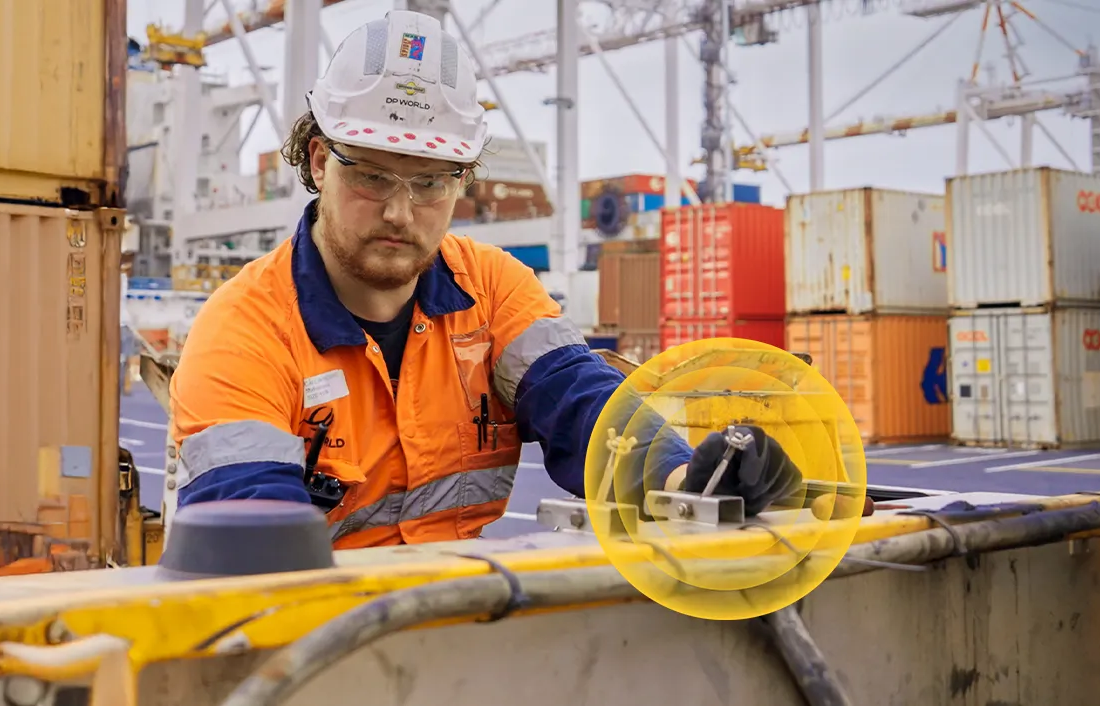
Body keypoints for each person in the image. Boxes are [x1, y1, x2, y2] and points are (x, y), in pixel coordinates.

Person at [162, 9, 803, 549]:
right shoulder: (244, 331)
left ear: (462, 180)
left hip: (453, 633)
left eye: (431, 182)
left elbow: (582, 401)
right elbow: (254, 548)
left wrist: (688, 481)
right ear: (320, 159)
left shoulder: (492, 290)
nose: (399, 210)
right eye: (371, 174)